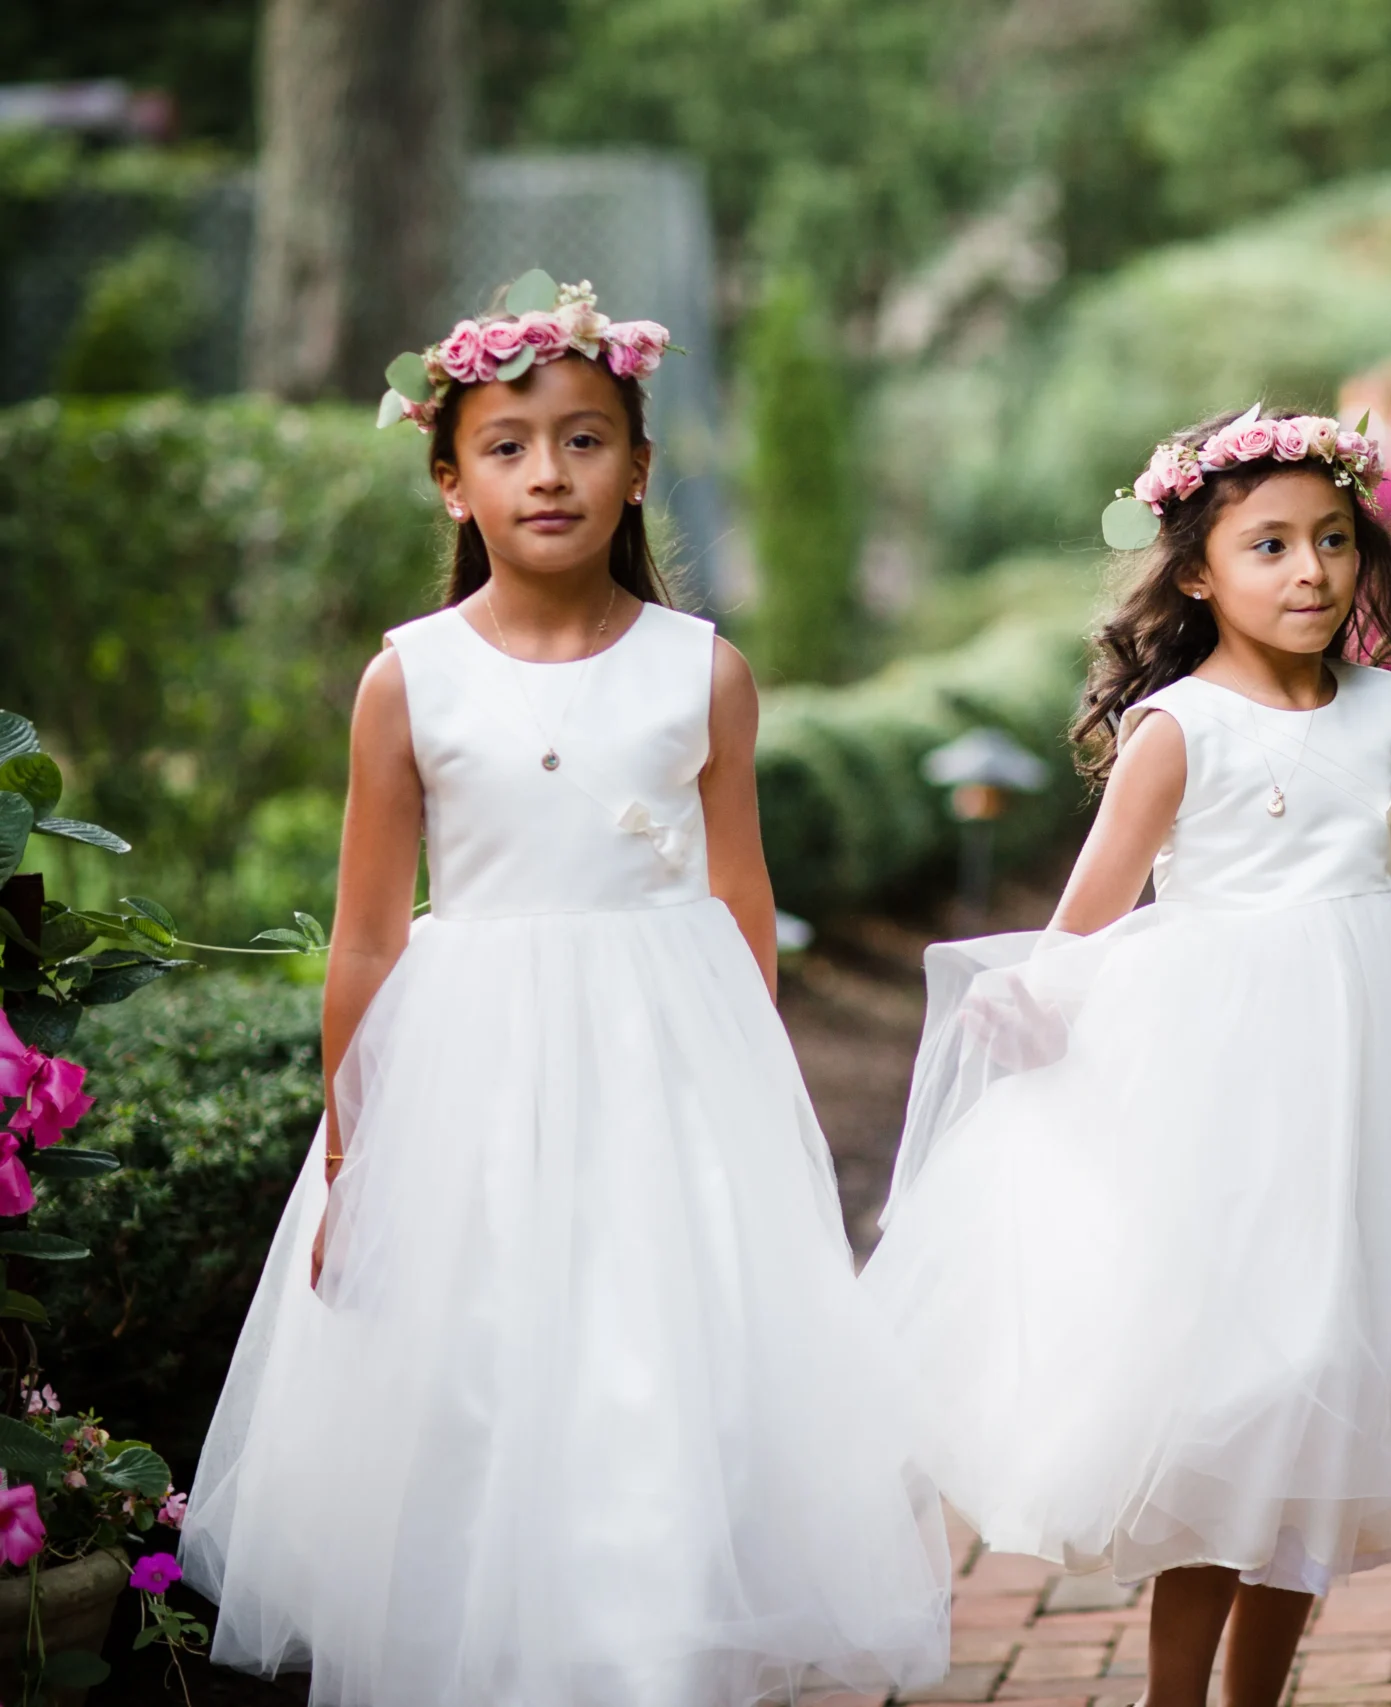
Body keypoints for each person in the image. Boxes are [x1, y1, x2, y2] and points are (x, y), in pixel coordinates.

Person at [862, 406, 1391, 1707]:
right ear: (1199, 571)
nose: (1311, 570)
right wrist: (1031, 1010)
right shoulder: (1179, 730)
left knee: (1328, 1397)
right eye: (1269, 545)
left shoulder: (1382, 705)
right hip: (1220, 1094)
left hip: (1370, 1076)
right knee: (1235, 1402)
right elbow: (1084, 922)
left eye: (1332, 539)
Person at [179, 276, 952, 1707]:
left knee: (649, 1380)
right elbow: (364, 937)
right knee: (482, 1382)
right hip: (472, 1086)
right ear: (450, 477)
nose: (550, 471)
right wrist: (352, 1160)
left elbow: (740, 901)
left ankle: (650, 1662)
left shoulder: (700, 672)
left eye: (587, 438)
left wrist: (749, 1110)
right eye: (509, 443)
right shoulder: (407, 680)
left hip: (659, 1079)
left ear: (641, 466)